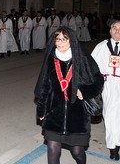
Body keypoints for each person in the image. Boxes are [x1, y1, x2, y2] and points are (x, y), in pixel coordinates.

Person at [34, 27, 104, 164]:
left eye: (64, 39)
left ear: (71, 41)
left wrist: (85, 92)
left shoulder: (82, 58)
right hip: (54, 115)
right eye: (57, 39)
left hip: (77, 117)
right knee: (53, 149)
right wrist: (41, 110)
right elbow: (44, 87)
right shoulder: (51, 60)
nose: (60, 43)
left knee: (77, 152)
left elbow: (98, 79)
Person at [91, 20, 120, 161]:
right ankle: (113, 147)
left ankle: (118, 142)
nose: (117, 31)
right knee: (109, 115)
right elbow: (91, 66)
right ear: (110, 31)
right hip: (108, 84)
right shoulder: (102, 46)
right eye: (114, 28)